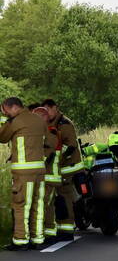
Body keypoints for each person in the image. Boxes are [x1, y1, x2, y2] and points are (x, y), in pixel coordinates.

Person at [0, 97, 48, 250]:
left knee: (21, 206)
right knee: (38, 205)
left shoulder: (15, 121)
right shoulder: (39, 120)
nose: (6, 114)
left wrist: (5, 120)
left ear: (14, 107)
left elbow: (2, 137)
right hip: (40, 171)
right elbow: (49, 141)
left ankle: (20, 240)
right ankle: (38, 239)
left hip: (23, 172)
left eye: (6, 111)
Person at [42, 98, 82, 240]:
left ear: (55, 108)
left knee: (65, 197)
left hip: (68, 168)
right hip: (58, 168)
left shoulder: (64, 123)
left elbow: (70, 146)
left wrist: (56, 157)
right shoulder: (50, 123)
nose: (46, 113)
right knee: (57, 199)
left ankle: (66, 230)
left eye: (48, 110)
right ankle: (59, 228)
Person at [29, 104, 61, 245]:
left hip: (49, 176)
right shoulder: (46, 132)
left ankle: (40, 235)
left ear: (43, 118)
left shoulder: (51, 133)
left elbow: (46, 155)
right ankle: (49, 233)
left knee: (42, 206)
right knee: (47, 206)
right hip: (46, 176)